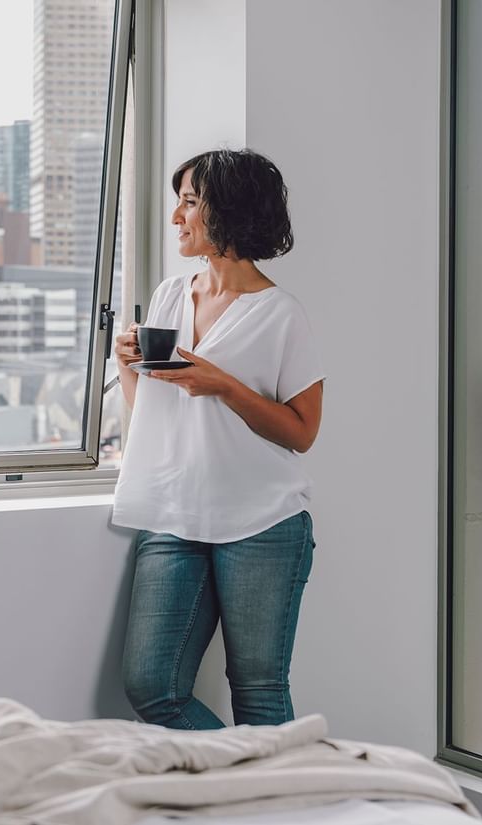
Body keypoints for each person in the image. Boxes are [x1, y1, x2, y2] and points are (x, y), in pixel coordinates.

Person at [111, 148, 325, 730]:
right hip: (175, 517)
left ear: (226, 210)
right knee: (152, 685)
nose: (177, 218)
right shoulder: (168, 297)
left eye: (188, 203)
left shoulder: (282, 314)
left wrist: (224, 387)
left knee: (258, 693)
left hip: (263, 523)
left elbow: (302, 433)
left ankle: (276, 807)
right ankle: (240, 791)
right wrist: (127, 362)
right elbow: (154, 415)